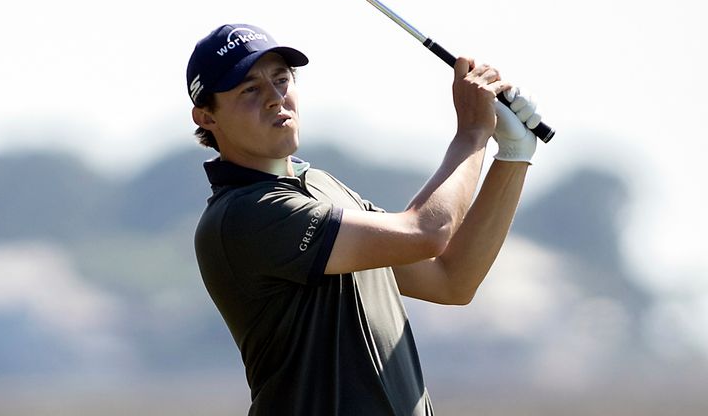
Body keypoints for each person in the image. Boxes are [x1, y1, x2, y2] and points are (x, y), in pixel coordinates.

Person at [186, 23, 541, 416]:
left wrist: (512, 155)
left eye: (281, 79)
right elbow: (425, 231)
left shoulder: (321, 186)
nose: (275, 98)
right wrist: (472, 133)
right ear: (206, 117)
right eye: (249, 89)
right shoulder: (244, 215)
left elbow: (450, 278)